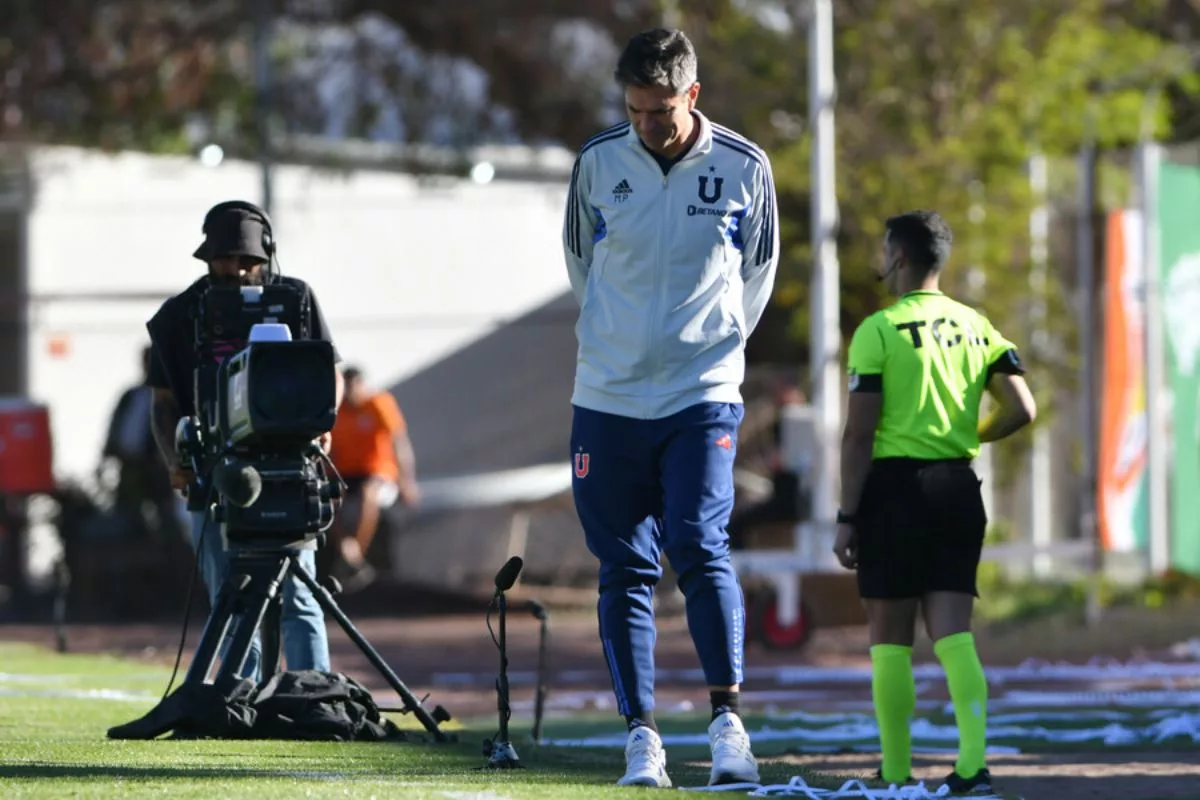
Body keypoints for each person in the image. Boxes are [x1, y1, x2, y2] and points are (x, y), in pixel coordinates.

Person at [562, 27, 779, 788]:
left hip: (701, 392)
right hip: (609, 395)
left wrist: (705, 354)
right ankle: (642, 739)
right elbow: (581, 266)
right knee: (623, 565)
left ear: (692, 95)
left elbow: (755, 278)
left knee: (698, 540)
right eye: (634, 110)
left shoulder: (745, 166)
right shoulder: (597, 163)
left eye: (659, 110)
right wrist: (621, 350)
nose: (645, 124)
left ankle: (728, 727)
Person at [834, 210, 1037, 794]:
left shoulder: (879, 329)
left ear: (897, 256)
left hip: (895, 492)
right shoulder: (977, 325)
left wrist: (848, 516)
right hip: (957, 489)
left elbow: (858, 435)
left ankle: (897, 772)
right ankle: (973, 767)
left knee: (889, 638)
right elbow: (1022, 407)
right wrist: (974, 435)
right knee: (954, 634)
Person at [145, 199, 344, 680]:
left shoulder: (296, 299)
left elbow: (328, 369)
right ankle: (238, 697)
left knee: (299, 596)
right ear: (207, 258)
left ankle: (310, 694)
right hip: (217, 471)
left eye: (247, 261)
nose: (235, 270)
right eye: (224, 260)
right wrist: (176, 459)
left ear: (267, 255)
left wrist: (323, 422)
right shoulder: (179, 316)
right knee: (231, 599)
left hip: (291, 466)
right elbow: (163, 402)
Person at [327, 366, 420, 590]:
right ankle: (347, 550)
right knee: (329, 500)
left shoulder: (378, 403)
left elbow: (399, 441)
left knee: (369, 494)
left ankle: (355, 553)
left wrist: (407, 480)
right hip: (346, 474)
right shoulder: (337, 410)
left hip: (378, 473)